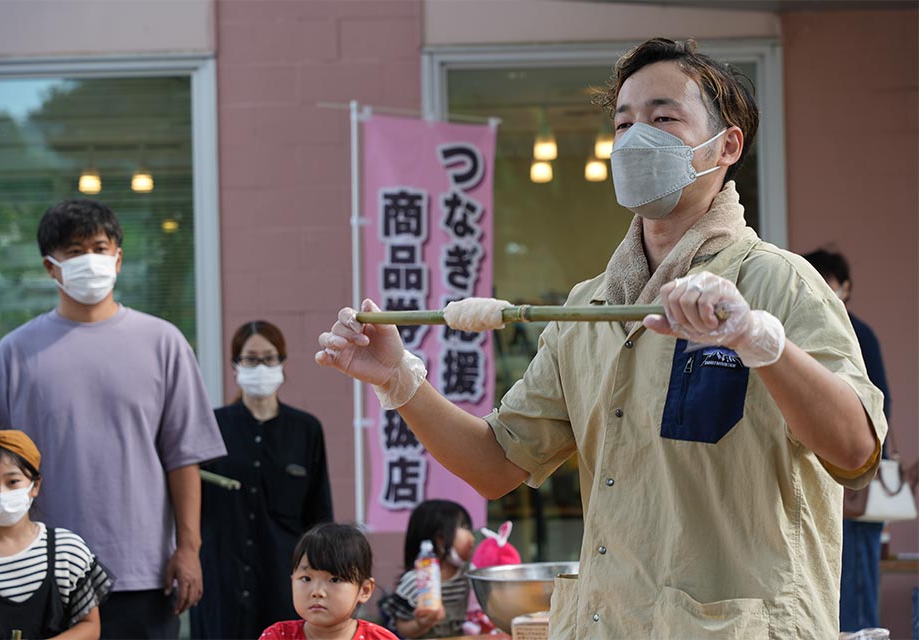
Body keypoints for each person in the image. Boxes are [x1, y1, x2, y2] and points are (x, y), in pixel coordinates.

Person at [316, 38, 888, 639]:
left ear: (727, 146)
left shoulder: (778, 282)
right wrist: (399, 380)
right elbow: (497, 464)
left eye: (663, 117)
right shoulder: (588, 307)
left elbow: (854, 450)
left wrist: (758, 342)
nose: (635, 137)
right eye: (623, 122)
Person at [0, 199, 227, 639]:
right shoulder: (15, 354)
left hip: (143, 571)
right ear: (51, 267)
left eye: (99, 246)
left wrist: (188, 549)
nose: (89, 260)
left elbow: (183, 458)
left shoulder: (163, 344)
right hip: (41, 570)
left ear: (118, 257)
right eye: (74, 251)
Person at [192, 320, 334, 639]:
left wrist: (323, 578)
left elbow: (320, 514)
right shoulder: (211, 425)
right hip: (220, 577)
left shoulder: (305, 429)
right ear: (235, 365)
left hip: (285, 578)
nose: (260, 367)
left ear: (282, 362)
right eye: (250, 359)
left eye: (269, 358)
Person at [803, 248, 892, 633]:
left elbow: (875, 410)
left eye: (830, 282)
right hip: (821, 484)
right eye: (815, 279)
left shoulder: (856, 333)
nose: (822, 289)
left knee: (855, 604)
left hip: (852, 485)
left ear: (846, 288)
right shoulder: (806, 329)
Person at [0, 430, 113, 639]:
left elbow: (89, 626)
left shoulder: (67, 551)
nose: (1, 494)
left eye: (12, 482)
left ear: (35, 485)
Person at [259, 522, 398, 640]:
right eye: (306, 579)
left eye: (335, 580)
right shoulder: (278, 636)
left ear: (364, 590)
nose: (317, 592)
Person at [378, 499, 475, 638]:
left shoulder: (467, 577)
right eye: (464, 527)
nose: (472, 537)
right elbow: (401, 628)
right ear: (440, 539)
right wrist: (421, 624)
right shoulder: (416, 581)